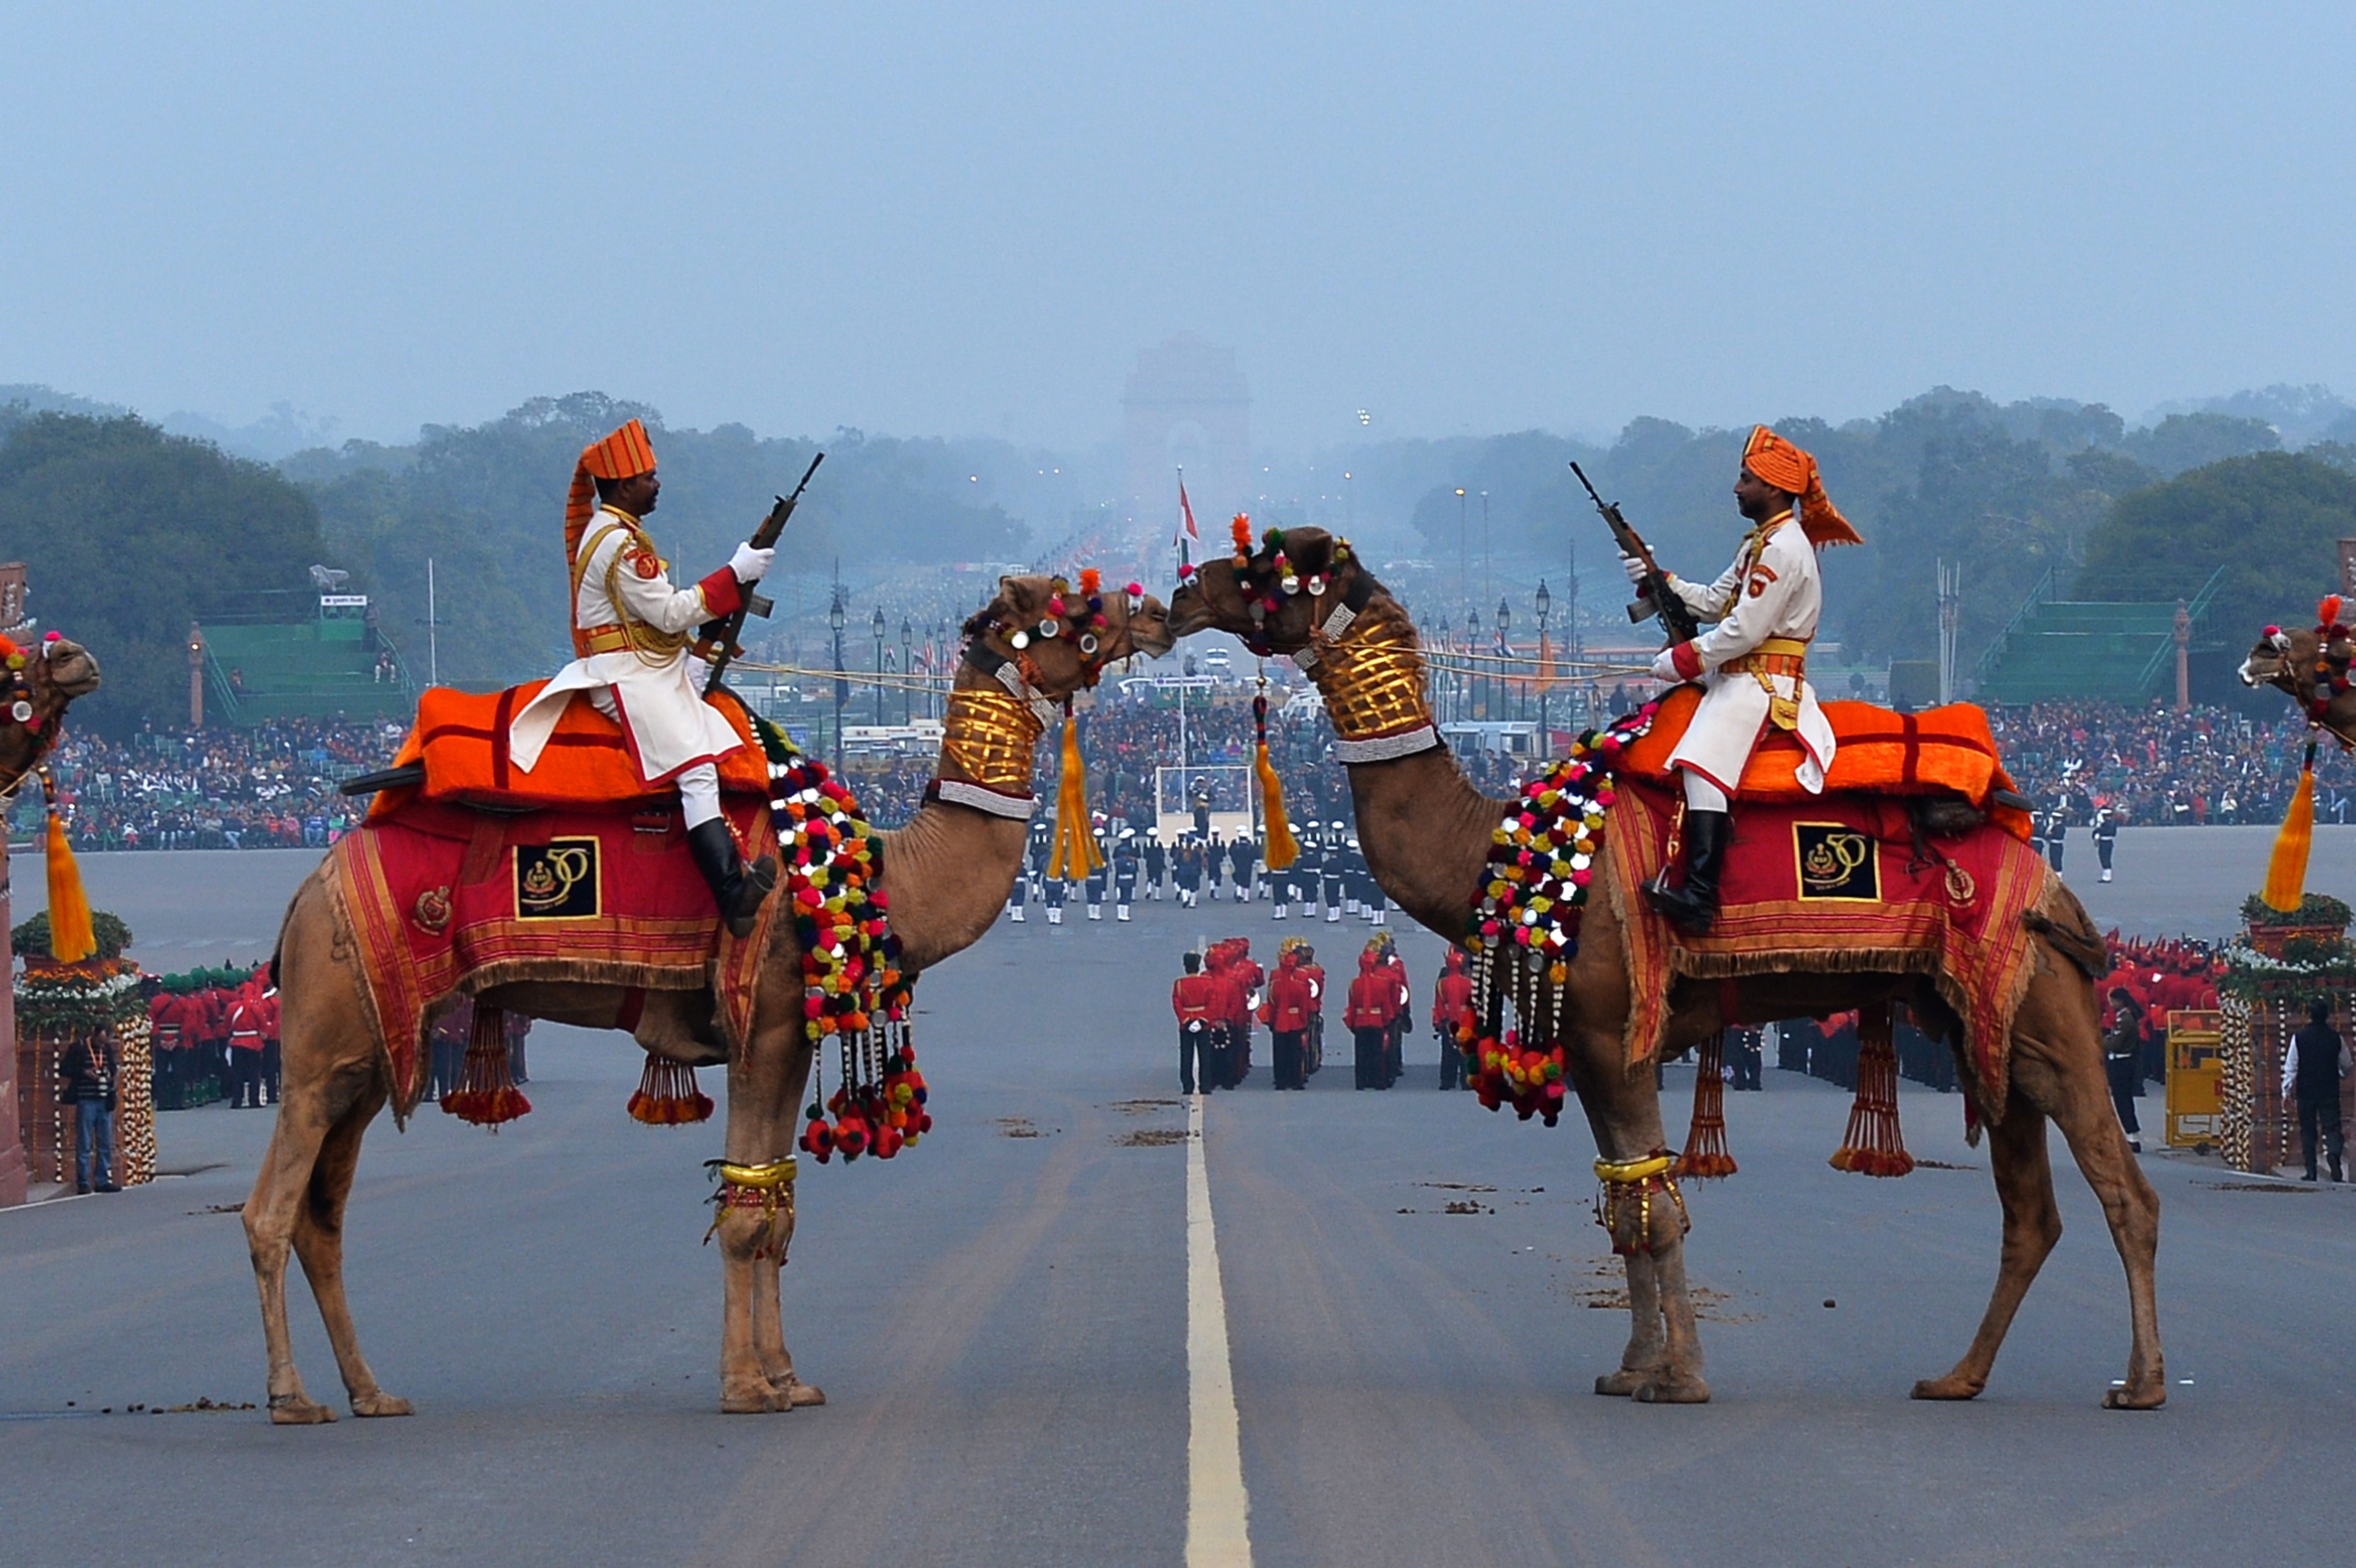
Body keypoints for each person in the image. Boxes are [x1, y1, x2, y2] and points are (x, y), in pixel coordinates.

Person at [505, 419, 779, 936]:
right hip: (624, 677)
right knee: (696, 769)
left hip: (647, 667)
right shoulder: (620, 545)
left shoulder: (619, 534)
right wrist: (735, 572)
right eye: (649, 477)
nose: (657, 485)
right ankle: (730, 896)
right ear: (623, 485)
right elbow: (673, 614)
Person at [1624, 425, 1861, 933]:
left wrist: (1683, 660)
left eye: (1745, 479)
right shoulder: (1760, 541)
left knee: (1700, 764)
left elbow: (1743, 630)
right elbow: (1713, 601)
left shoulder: (1783, 549)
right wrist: (1656, 578)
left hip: (1761, 683)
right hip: (1738, 676)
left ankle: (1700, 896)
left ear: (1773, 488)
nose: (1736, 488)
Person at [2283, 998, 2352, 1182]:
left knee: (2308, 1131)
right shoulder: (2335, 1037)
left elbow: (2292, 1066)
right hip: (2329, 1088)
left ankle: (2311, 1170)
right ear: (2327, 1016)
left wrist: (2286, 1091)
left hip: (2306, 1090)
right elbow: (2347, 1064)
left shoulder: (2299, 1038)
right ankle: (2334, 1153)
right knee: (2332, 1126)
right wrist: (2341, 1073)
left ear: (2310, 1016)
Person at [59, 1029, 120, 1194]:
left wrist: (109, 1073)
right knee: (85, 1142)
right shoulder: (79, 1048)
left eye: (104, 1042)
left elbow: (113, 1067)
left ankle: (103, 1180)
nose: (102, 1045)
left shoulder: (106, 1049)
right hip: (86, 1099)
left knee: (105, 1142)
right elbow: (64, 1069)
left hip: (104, 1098)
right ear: (93, 1035)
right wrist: (85, 1072)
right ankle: (83, 1181)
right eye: (99, 1042)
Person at [1262, 948, 1316, 1089]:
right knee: (1296, 1053)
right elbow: (1304, 1003)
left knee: (1280, 1052)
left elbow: (1272, 1000)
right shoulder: (1302, 977)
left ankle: (1281, 1081)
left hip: (1280, 1019)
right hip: (1296, 1019)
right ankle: (1296, 1080)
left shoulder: (1275, 977)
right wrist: (1305, 1021)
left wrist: (1272, 1020)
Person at [2102, 986, 2146, 1154]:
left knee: (2123, 1102)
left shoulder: (2125, 1020)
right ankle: (2130, 1134)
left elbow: (2115, 1044)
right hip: (2124, 1062)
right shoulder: (2126, 1018)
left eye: (2113, 1001)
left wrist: (2102, 1041)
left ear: (2119, 1001)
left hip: (2121, 1063)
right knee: (2123, 1101)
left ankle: (2132, 1136)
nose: (2111, 1005)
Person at [1344, 948, 1396, 1090]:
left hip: (1361, 1022)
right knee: (1377, 1053)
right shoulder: (1382, 983)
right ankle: (1378, 1081)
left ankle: (1362, 1082)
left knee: (1362, 1054)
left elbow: (1352, 1005)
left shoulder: (1355, 984)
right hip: (1377, 1021)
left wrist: (1351, 1023)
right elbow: (1386, 1005)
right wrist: (1387, 1021)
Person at [1172, 951, 1220, 1095]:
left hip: (1186, 1025)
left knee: (1186, 1056)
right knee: (1205, 1056)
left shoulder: (1179, 984)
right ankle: (1205, 1085)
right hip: (1203, 1024)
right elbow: (1212, 1004)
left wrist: (1186, 1021)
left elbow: (1177, 1004)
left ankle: (1188, 1085)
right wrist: (1202, 1020)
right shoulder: (1208, 983)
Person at [1432, 950, 1472, 1090]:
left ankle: (1447, 1081)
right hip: (1465, 1021)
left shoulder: (1442, 984)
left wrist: (1440, 1021)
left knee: (1448, 1053)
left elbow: (1439, 1005)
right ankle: (1466, 1081)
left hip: (1448, 1023)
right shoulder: (1469, 984)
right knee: (1466, 1053)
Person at [1113, 834, 1140, 922]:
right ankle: (1125, 915)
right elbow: (1132, 869)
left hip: (1120, 879)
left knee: (1121, 898)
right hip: (1128, 880)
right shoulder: (1127, 861)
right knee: (1126, 898)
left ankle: (1121, 914)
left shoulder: (1118, 861)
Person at [2093, 806, 2119, 883]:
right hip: (2106, 842)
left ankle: (2107, 877)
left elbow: (2110, 833)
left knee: (2105, 859)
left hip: (2106, 842)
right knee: (2104, 859)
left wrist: (2099, 830)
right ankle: (2106, 876)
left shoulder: (2107, 824)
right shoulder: (2110, 824)